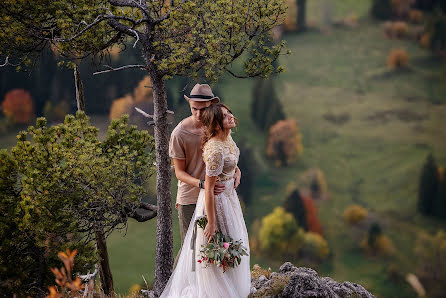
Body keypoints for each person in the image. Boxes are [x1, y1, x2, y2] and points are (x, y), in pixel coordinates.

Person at [161, 103, 251, 298]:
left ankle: (231, 287)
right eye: (225, 116)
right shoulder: (214, 150)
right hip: (216, 201)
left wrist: (237, 171)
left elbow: (231, 160)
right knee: (212, 246)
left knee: (230, 243)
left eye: (230, 113)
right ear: (217, 125)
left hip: (229, 199)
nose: (231, 117)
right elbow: (209, 188)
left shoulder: (227, 139)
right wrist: (211, 222)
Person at [169, 84, 241, 245]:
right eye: (194, 109)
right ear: (189, 105)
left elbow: (226, 154)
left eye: (203, 109)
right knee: (191, 248)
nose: (198, 114)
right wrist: (202, 184)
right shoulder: (179, 134)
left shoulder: (217, 127)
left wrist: (236, 171)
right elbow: (179, 173)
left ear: (212, 106)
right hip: (190, 197)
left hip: (216, 197)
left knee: (215, 247)